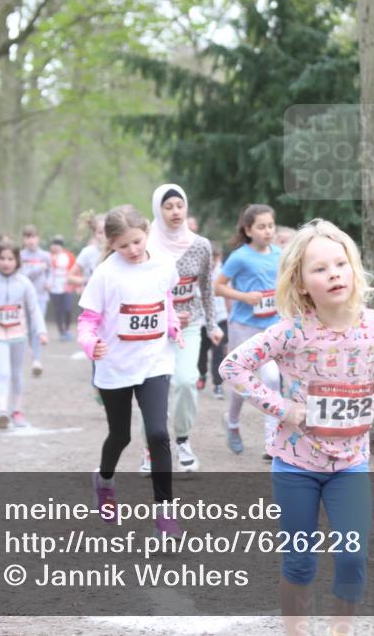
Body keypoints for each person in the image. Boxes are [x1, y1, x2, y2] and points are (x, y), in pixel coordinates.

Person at [219, 219, 374, 636]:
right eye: (319, 269)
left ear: (353, 269)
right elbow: (232, 366)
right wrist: (283, 409)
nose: (332, 274)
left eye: (339, 264)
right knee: (300, 559)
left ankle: (339, 631)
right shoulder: (291, 332)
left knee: (352, 556)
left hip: (350, 464)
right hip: (295, 466)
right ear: (300, 284)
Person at [77, 205, 186, 536]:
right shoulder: (106, 275)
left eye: (137, 242)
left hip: (154, 360)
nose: (133, 250)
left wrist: (172, 325)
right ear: (111, 244)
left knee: (157, 434)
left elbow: (164, 297)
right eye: (124, 246)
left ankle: (165, 516)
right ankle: (105, 479)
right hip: (115, 365)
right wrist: (90, 344)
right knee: (120, 435)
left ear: (146, 233)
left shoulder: (164, 265)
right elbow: (87, 322)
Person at [139, 184, 223, 475]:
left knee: (187, 381)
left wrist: (212, 324)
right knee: (154, 390)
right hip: (153, 328)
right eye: (168, 207)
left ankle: (183, 440)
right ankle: (151, 447)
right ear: (157, 210)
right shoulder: (146, 245)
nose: (175, 212)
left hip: (190, 324)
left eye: (179, 205)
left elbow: (207, 288)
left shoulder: (200, 245)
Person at [214, 204, 282, 457]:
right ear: (248, 230)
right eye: (261, 227)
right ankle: (232, 422)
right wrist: (244, 296)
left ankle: (272, 442)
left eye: (271, 226)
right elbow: (218, 287)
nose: (267, 231)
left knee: (273, 378)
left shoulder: (279, 254)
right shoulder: (240, 256)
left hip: (271, 326)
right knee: (243, 381)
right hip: (243, 326)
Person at [0, 241, 49, 429]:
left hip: (19, 335)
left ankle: (16, 411)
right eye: (2, 258)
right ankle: (2, 411)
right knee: (3, 373)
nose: (6, 262)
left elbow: (34, 310)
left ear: (17, 261)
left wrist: (41, 331)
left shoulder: (24, 283)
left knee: (16, 374)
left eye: (10, 258)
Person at [197, 243, 229, 399]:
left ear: (219, 258)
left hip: (220, 319)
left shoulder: (223, 273)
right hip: (202, 321)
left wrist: (229, 316)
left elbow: (228, 296)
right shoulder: (196, 273)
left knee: (218, 355)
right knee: (201, 353)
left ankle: (218, 385)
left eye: (214, 258)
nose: (211, 262)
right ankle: (201, 374)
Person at [20, 225, 51, 375]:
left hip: (41, 296)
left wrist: (49, 281)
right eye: (27, 237)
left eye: (33, 237)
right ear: (23, 239)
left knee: (36, 327)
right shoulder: (20, 256)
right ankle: (32, 349)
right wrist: (39, 269)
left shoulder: (45, 255)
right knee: (28, 327)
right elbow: (24, 276)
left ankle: (36, 359)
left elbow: (51, 270)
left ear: (38, 238)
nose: (31, 240)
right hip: (25, 298)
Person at [48, 236, 76, 341]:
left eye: (58, 245)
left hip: (66, 285)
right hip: (54, 287)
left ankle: (67, 328)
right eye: (54, 245)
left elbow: (75, 269)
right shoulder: (49, 257)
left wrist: (75, 284)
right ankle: (61, 331)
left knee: (68, 309)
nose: (56, 247)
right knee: (58, 310)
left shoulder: (68, 256)